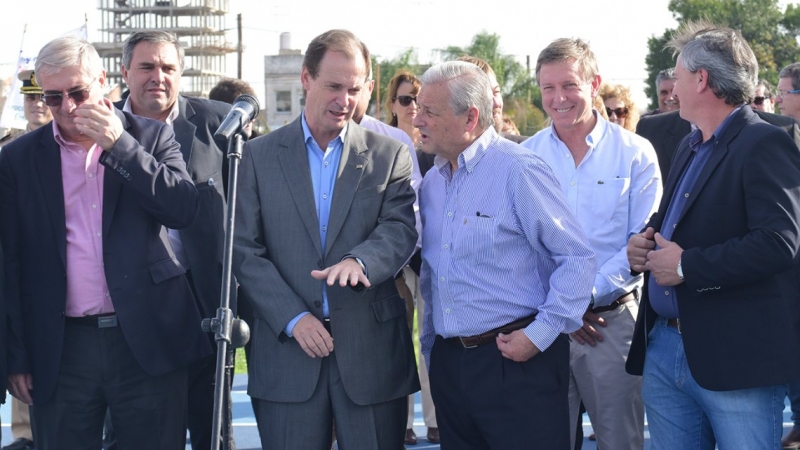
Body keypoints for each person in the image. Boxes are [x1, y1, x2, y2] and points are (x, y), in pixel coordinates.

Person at [0, 36, 210, 449]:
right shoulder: (17, 159)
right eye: (54, 97)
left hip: (147, 341)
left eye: (78, 93)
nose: (68, 108)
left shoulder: (148, 138)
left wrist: (122, 148)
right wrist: (16, 356)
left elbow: (184, 210)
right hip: (61, 348)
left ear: (102, 81)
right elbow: (9, 264)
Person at [232, 29, 419, 450]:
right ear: (305, 79)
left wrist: (363, 261)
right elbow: (243, 249)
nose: (345, 99)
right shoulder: (257, 157)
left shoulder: (390, 155)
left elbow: (400, 228)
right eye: (334, 86)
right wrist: (293, 318)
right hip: (287, 358)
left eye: (355, 88)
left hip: (371, 359)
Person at [626, 21, 800, 449]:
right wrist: (647, 240)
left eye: (679, 77)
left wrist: (686, 265)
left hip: (733, 358)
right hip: (665, 347)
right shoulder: (690, 142)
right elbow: (682, 218)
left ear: (702, 79)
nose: (672, 90)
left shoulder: (764, 142)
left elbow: (779, 242)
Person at [416, 60, 596, 449]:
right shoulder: (432, 181)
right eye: (417, 108)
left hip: (516, 362)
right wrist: (435, 354)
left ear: (470, 117)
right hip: (452, 367)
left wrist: (541, 334)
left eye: (429, 111)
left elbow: (577, 258)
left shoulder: (519, 170)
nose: (417, 120)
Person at [521, 38, 661, 450]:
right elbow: (521, 245)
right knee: (545, 440)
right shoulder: (525, 157)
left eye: (569, 85)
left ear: (594, 83)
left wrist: (582, 298)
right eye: (548, 88)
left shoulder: (635, 153)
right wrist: (564, 306)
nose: (558, 98)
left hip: (611, 325)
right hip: (544, 326)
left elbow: (643, 241)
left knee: (620, 441)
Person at [116, 30, 234, 450]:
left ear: (181, 72)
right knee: (137, 433)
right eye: (147, 66)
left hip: (203, 300)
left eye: (168, 67)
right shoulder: (99, 127)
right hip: (132, 307)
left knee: (212, 432)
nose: (158, 77)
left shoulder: (220, 123)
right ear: (125, 71)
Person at [352, 62, 435, 447]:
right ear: (392, 101)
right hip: (377, 273)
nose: (413, 105)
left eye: (419, 99)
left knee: (429, 341)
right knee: (394, 349)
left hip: (414, 261)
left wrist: (397, 260)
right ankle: (399, 423)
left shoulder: (397, 144)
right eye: (405, 99)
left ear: (368, 89)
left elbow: (413, 210)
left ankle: (435, 419)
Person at [0, 69, 54, 450]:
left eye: (42, 96)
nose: (37, 104)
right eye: (31, 97)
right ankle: (25, 435)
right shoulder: (10, 148)